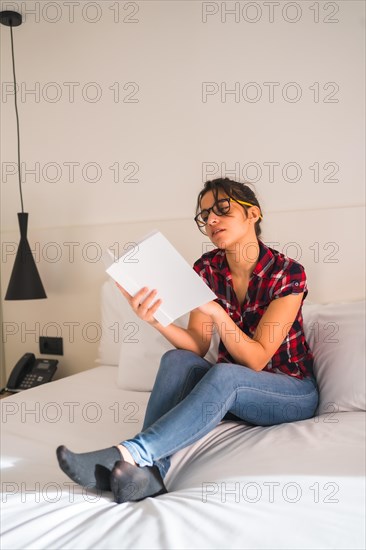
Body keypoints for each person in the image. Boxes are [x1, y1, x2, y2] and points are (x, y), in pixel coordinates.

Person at [56, 177, 319, 504]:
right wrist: (156, 320)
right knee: (176, 359)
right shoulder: (207, 269)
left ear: (253, 214)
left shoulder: (288, 273)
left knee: (225, 374)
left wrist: (217, 312)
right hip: (232, 392)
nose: (211, 220)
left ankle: (127, 453)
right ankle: (151, 475)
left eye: (222, 209)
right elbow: (196, 344)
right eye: (205, 215)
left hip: (290, 390)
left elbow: (255, 360)